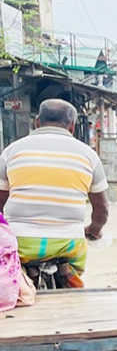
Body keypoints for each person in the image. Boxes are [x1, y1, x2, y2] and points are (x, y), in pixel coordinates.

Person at [0, 99, 109, 286]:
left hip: (21, 243)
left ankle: (23, 283)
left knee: (11, 276)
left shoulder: (11, 151)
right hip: (70, 243)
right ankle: (69, 286)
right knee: (74, 274)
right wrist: (94, 230)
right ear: (72, 126)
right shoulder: (88, 155)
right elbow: (102, 209)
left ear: (37, 122)